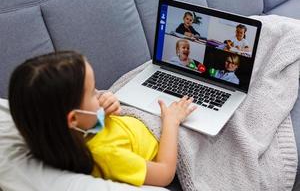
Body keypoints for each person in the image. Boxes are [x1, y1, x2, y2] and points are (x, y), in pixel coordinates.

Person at [8, 51, 197, 187]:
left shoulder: (72, 133)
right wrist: (171, 121)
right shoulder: (107, 156)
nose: (100, 94)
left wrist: (106, 108)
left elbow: (97, 125)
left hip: (138, 120)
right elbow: (164, 173)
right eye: (92, 92)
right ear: (73, 119)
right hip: (164, 136)